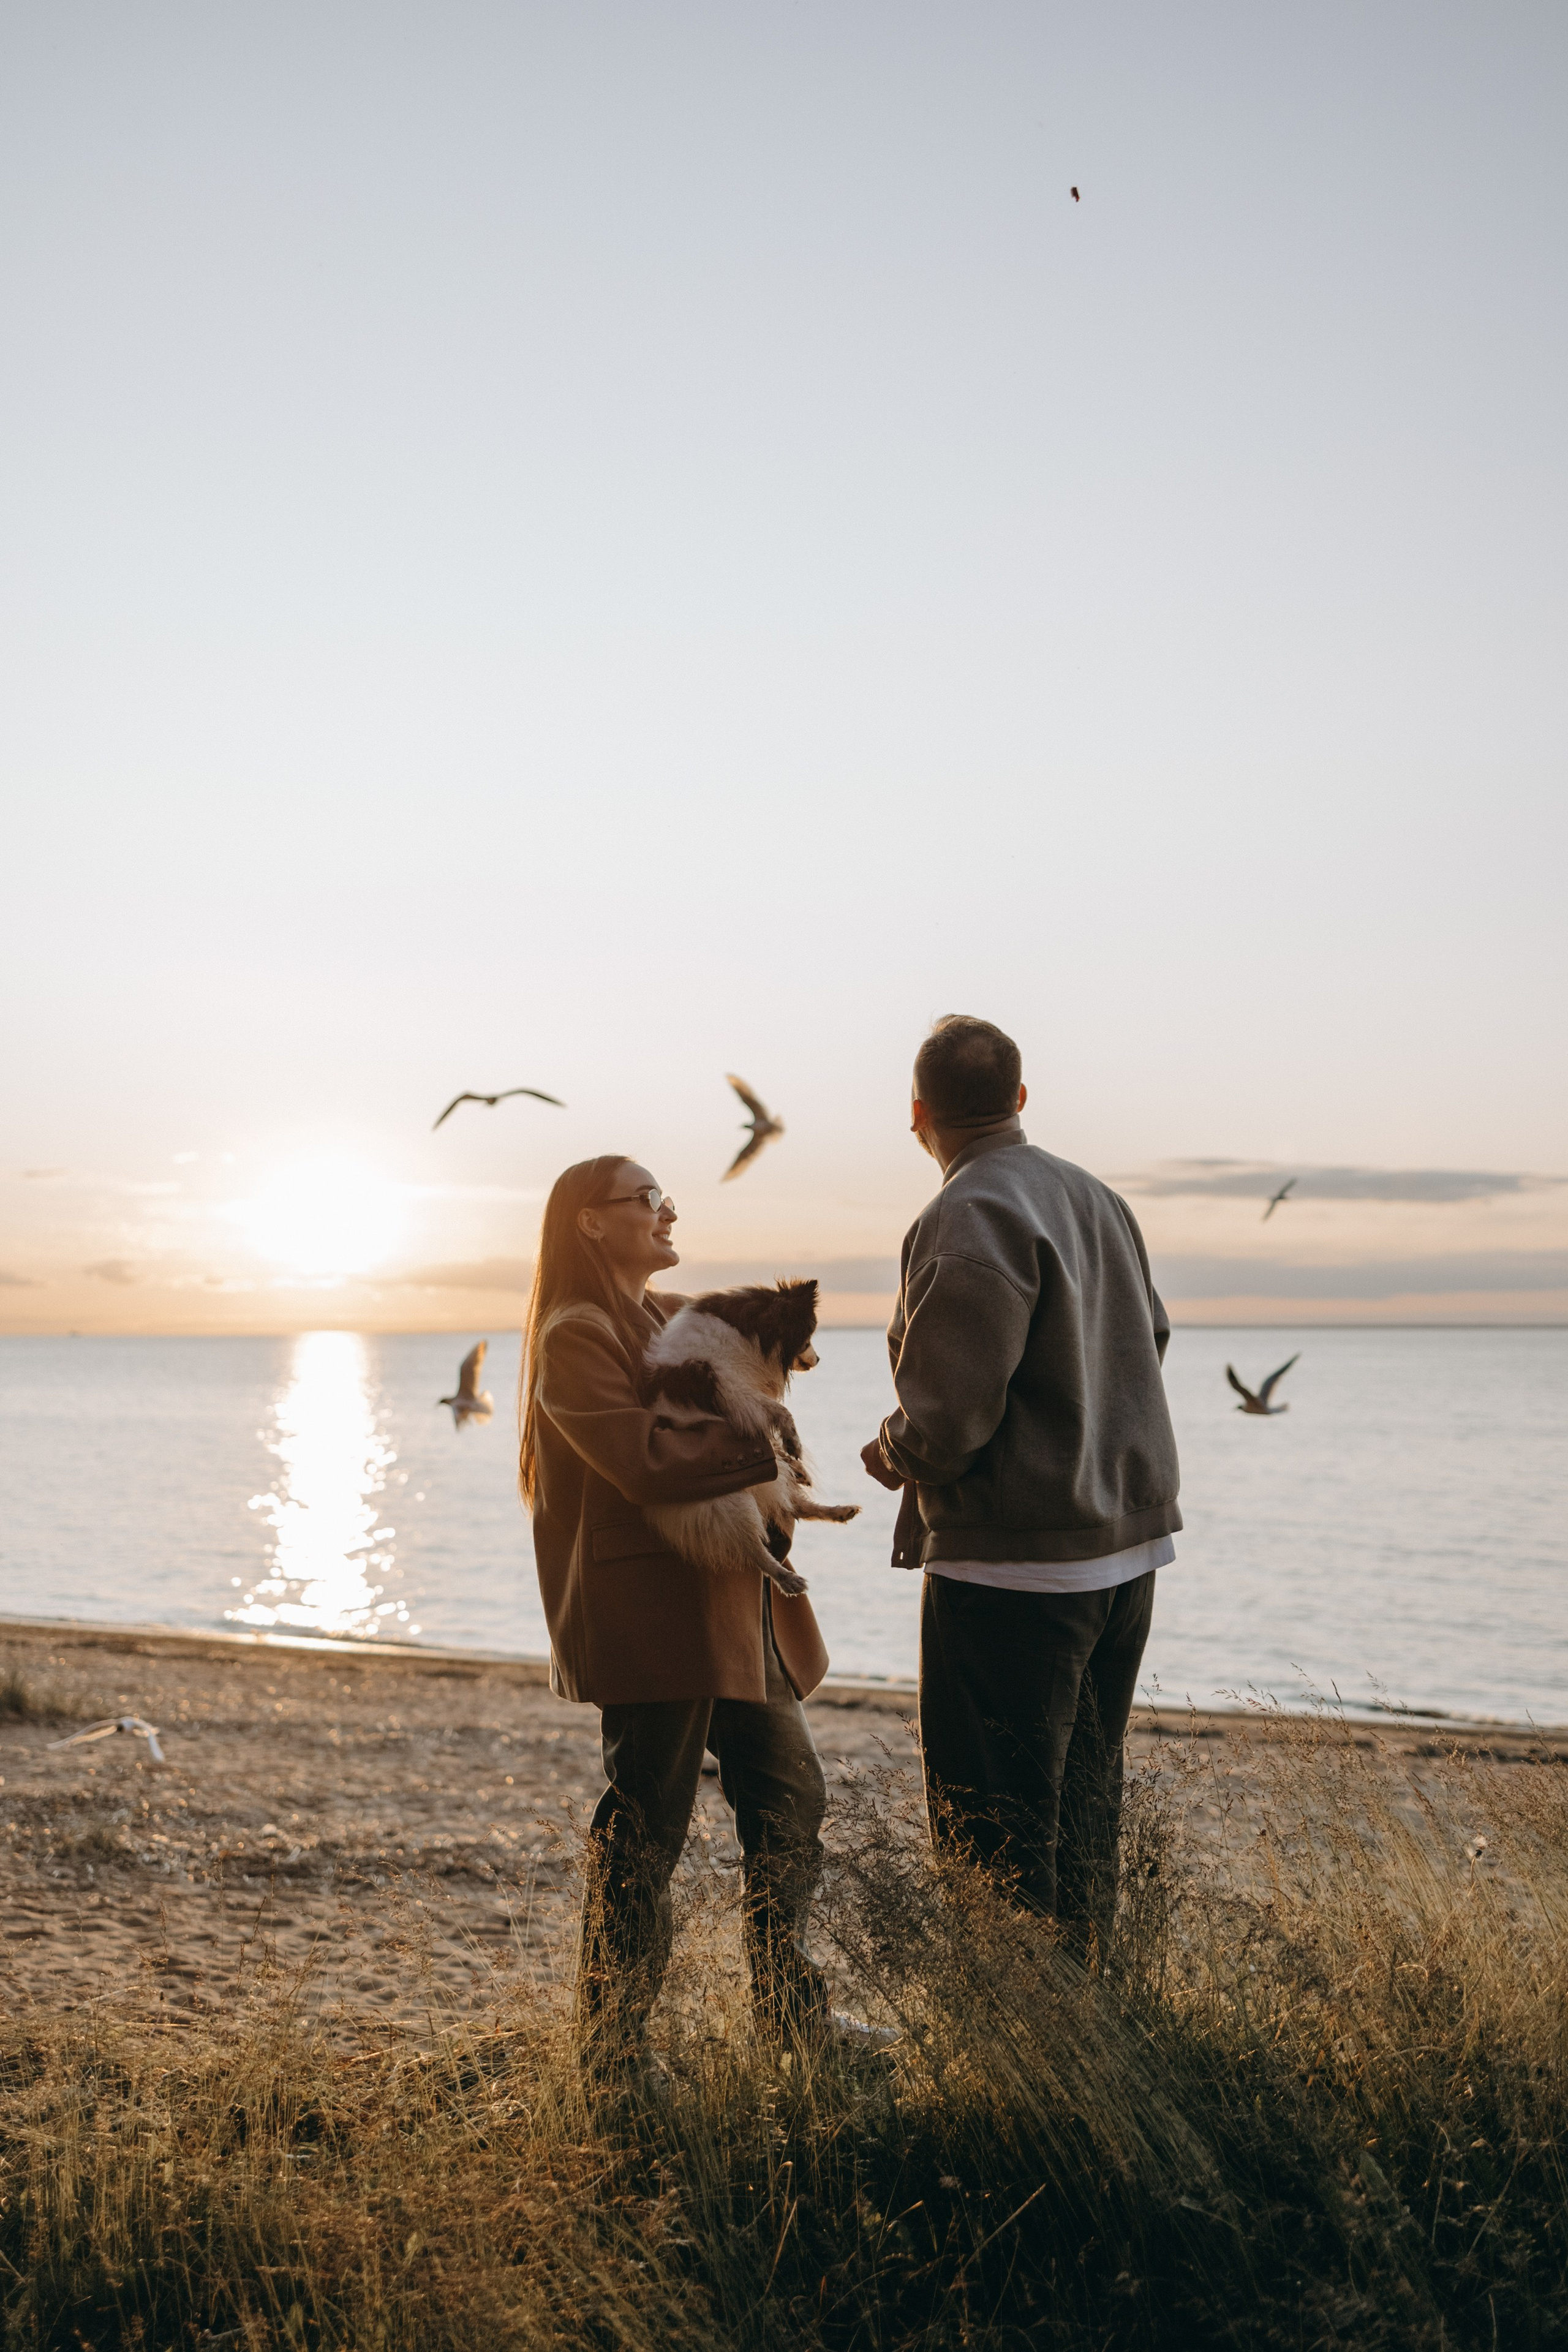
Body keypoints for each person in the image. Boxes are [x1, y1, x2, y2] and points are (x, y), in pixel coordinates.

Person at [860, 1017, 1181, 1964]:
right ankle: (1085, 2022)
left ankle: (1013, 2054)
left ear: (917, 1113)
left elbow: (951, 1416)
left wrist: (897, 1451)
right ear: (1021, 1099)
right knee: (1084, 1805)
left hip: (1017, 1569)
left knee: (990, 1827)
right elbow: (1148, 1341)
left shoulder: (965, 1215)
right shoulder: (1097, 1198)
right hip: (1124, 1559)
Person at [519, 1153, 834, 2067]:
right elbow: (645, 1460)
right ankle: (612, 2052)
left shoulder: (670, 1315)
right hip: (651, 1615)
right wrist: (763, 1436)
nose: (669, 1211)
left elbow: (745, 1388)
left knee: (791, 1801)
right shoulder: (573, 1336)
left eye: (666, 1198)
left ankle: (793, 2016)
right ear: (589, 1220)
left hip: (735, 1605)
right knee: (645, 1833)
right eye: (648, 1199)